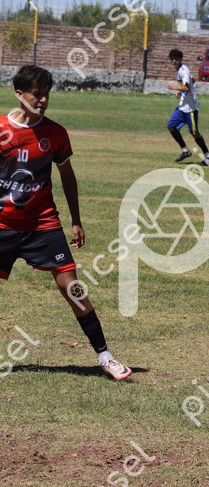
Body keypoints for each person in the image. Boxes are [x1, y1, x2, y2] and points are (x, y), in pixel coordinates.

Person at [0, 65, 131, 380]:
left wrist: (76, 220)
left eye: (47, 94)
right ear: (19, 94)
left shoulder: (55, 133)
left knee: (72, 287)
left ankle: (105, 357)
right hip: (3, 224)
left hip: (42, 223)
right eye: (37, 94)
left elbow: (67, 177)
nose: (43, 100)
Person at [167, 49, 209, 167]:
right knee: (171, 126)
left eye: (176, 59)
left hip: (191, 108)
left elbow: (187, 87)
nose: (174, 61)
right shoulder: (180, 71)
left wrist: (174, 87)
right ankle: (185, 151)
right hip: (182, 106)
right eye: (172, 59)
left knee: (194, 133)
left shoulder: (184, 71)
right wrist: (180, 91)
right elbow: (192, 80)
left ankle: (208, 156)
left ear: (180, 59)